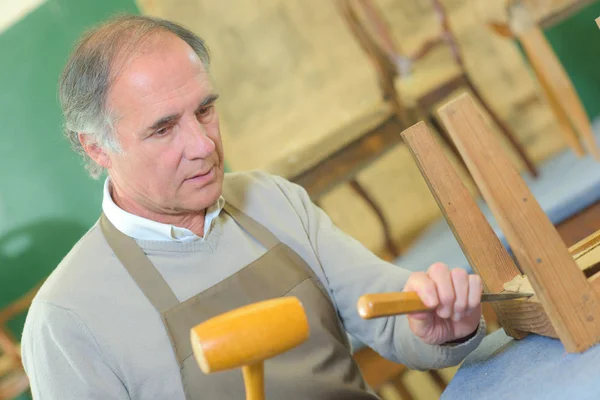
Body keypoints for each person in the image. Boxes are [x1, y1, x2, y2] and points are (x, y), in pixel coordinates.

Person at [21, 15, 485, 399]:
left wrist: (439, 329)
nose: (203, 145)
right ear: (97, 147)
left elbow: (395, 321)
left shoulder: (271, 200)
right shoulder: (66, 318)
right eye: (163, 129)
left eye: (204, 110)